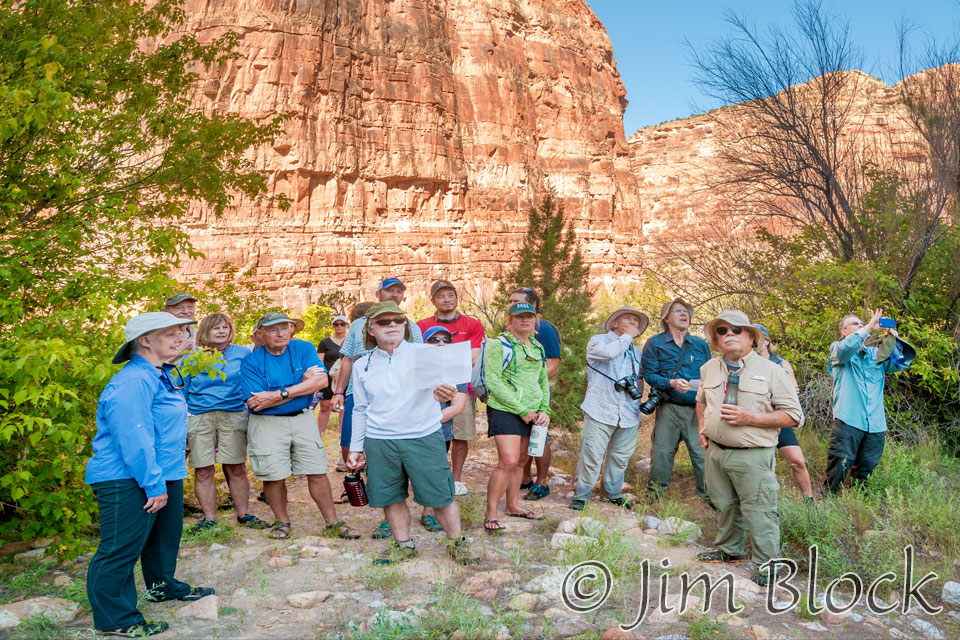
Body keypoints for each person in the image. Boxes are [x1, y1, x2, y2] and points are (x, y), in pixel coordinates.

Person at [86, 312, 214, 637]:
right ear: (145, 341)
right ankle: (116, 620)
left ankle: (162, 587)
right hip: (127, 476)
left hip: (162, 471)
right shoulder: (133, 381)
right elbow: (135, 436)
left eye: (181, 332)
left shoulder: (161, 374)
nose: (180, 337)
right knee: (120, 548)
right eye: (170, 333)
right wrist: (153, 484)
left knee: (162, 539)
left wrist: (165, 476)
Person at [346, 302, 478, 565]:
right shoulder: (362, 365)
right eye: (384, 322)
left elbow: (450, 388)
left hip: (422, 435)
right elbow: (360, 409)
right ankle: (403, 544)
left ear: (405, 326)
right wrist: (354, 448)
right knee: (391, 496)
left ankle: (457, 543)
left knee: (440, 495)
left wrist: (447, 392)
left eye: (398, 320)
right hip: (380, 440)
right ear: (371, 329)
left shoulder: (425, 354)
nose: (392, 325)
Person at [695, 310, 803, 587]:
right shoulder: (709, 368)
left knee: (760, 509)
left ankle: (770, 565)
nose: (728, 334)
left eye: (736, 329)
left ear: (752, 337)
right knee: (725, 504)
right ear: (716, 340)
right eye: (721, 331)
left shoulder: (772, 371)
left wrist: (751, 418)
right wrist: (701, 430)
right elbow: (701, 400)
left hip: (753, 455)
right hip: (717, 452)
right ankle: (730, 550)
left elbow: (793, 415)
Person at [239, 312, 359, 540]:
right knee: (273, 474)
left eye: (285, 327)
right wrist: (304, 385)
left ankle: (332, 522)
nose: (281, 333)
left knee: (317, 470)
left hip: (302, 417)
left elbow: (322, 382)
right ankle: (282, 522)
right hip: (266, 422)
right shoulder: (251, 361)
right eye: (273, 329)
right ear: (259, 334)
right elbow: (256, 402)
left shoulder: (303, 348)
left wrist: (279, 393)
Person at [332, 278, 423, 539]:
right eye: (389, 290)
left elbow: (418, 359)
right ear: (378, 293)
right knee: (354, 447)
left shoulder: (410, 326)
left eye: (399, 291)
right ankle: (374, 498)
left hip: (398, 399)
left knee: (392, 453)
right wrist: (339, 391)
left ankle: (395, 513)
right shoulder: (359, 325)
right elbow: (348, 359)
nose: (394, 294)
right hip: (358, 395)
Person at [181, 314, 270, 533]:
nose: (221, 332)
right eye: (215, 328)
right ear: (205, 332)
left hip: (234, 413)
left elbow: (255, 378)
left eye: (225, 328)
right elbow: (182, 392)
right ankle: (209, 519)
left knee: (236, 467)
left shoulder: (242, 353)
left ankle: (244, 514)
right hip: (199, 415)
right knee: (203, 470)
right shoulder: (192, 356)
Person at [825, 309, 915, 494]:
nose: (860, 325)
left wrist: (893, 340)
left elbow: (901, 362)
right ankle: (827, 502)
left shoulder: (876, 354)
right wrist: (867, 328)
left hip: (875, 424)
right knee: (839, 465)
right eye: (855, 324)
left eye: (861, 323)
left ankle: (856, 504)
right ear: (844, 331)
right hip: (848, 419)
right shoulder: (838, 350)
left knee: (866, 469)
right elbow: (844, 351)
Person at [570, 306, 649, 511]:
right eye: (629, 319)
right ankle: (582, 495)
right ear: (614, 323)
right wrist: (627, 338)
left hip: (628, 412)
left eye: (637, 321)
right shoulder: (598, 341)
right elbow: (608, 354)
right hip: (600, 408)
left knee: (620, 457)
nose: (634, 323)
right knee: (592, 455)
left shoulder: (637, 352)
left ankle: (612, 493)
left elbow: (638, 380)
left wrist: (638, 406)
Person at [483, 302, 550, 532]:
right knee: (508, 461)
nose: (525, 320)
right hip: (505, 409)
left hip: (532, 412)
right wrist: (521, 410)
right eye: (519, 316)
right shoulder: (498, 344)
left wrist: (544, 410)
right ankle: (491, 511)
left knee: (522, 461)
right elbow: (493, 381)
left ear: (535, 320)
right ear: (509, 320)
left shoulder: (538, 347)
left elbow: (543, 381)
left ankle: (513, 506)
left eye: (529, 316)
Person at [416, 280, 486, 497]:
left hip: (462, 386)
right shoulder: (421, 325)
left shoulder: (472, 324)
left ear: (457, 298)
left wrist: (441, 357)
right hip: (428, 387)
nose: (446, 299)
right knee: (428, 431)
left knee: (460, 434)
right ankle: (427, 476)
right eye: (440, 296)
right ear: (433, 300)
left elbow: (474, 356)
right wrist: (454, 356)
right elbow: (418, 355)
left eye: (450, 295)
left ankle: (455, 479)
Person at [641, 297, 712, 506]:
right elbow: (649, 375)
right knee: (662, 453)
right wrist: (670, 383)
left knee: (701, 455)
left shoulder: (700, 344)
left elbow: (710, 375)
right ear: (666, 318)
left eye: (686, 312)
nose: (684, 315)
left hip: (696, 409)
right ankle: (653, 499)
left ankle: (710, 499)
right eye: (678, 311)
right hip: (669, 408)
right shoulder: (655, 343)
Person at [507, 288, 560, 501]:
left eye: (516, 301)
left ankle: (542, 481)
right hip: (514, 396)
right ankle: (525, 478)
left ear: (533, 305)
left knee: (539, 435)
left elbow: (553, 365)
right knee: (522, 436)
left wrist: (532, 387)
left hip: (536, 394)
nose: (511, 303)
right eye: (510, 300)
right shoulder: (509, 329)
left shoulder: (544, 330)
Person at [751, 323, 814, 501]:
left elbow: (792, 386)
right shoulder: (745, 364)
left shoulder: (781, 363)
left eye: (758, 338)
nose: (754, 342)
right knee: (760, 465)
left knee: (798, 462)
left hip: (778, 418)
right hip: (755, 419)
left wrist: (792, 390)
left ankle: (809, 501)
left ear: (767, 340)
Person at [419, 325, 469, 530]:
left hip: (438, 429)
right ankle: (389, 519)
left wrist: (428, 421)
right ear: (424, 344)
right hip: (405, 429)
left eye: (446, 340)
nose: (440, 343)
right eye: (434, 340)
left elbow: (458, 405)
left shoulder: (456, 370)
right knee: (400, 473)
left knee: (434, 472)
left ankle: (428, 513)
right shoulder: (413, 367)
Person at [316, 314, 348, 453]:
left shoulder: (350, 341)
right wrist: (320, 379)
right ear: (333, 326)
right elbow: (319, 361)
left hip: (344, 378)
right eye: (336, 324)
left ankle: (342, 435)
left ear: (347, 325)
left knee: (344, 408)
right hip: (328, 379)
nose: (339, 327)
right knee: (324, 407)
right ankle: (319, 436)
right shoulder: (325, 342)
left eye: (342, 324)